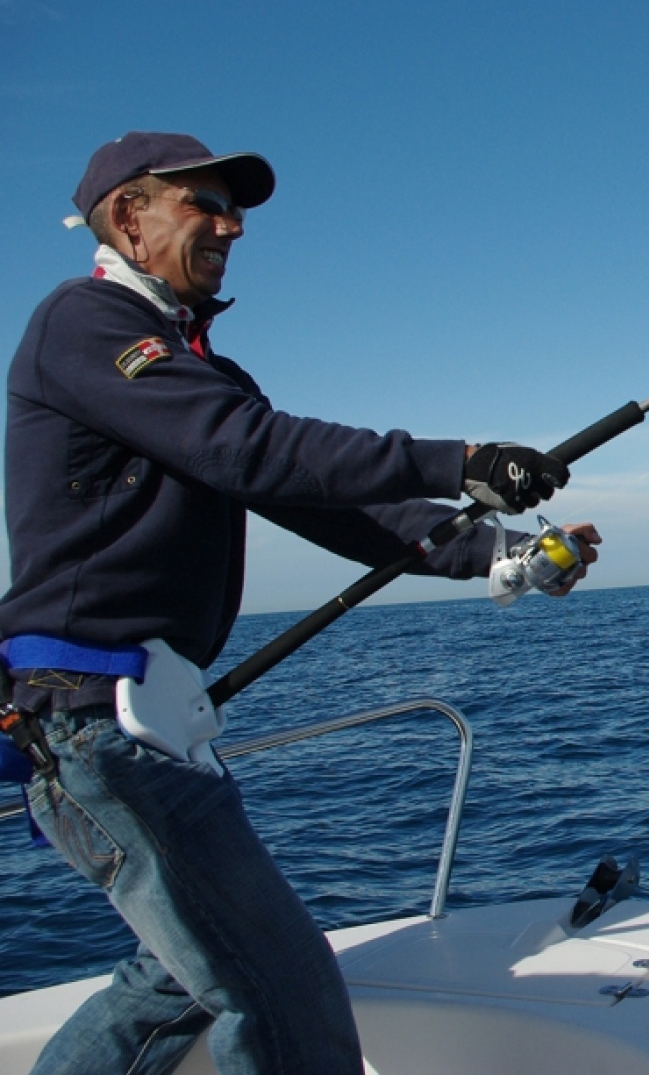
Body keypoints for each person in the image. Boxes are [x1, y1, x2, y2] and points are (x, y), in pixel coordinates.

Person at [0, 132, 601, 1073]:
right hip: (94, 720)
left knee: (177, 975)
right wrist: (464, 458)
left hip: (147, 725)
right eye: (204, 203)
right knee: (280, 989)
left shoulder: (197, 375)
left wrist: (502, 555)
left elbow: (319, 497)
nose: (232, 225)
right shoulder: (84, 324)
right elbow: (252, 449)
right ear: (129, 216)